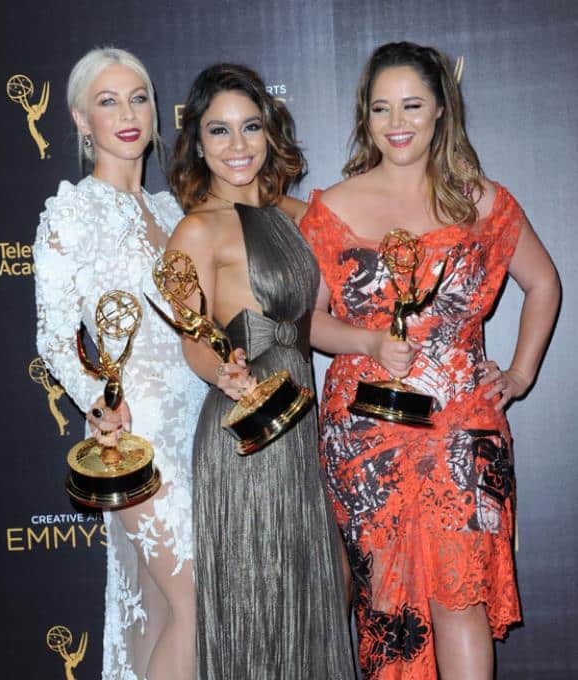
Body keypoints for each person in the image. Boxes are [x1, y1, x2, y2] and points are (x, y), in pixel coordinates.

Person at [300, 41, 560, 680]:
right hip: (367, 433)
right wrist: (367, 342)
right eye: (382, 108)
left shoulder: (482, 202)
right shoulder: (331, 208)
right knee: (389, 608)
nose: (397, 123)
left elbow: (544, 283)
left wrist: (520, 373)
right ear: (365, 115)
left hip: (462, 429)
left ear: (441, 108)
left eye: (412, 105)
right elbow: (306, 320)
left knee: (459, 597)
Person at [166, 63, 355, 679]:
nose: (237, 146)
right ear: (198, 144)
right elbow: (192, 336)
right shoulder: (197, 228)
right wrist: (221, 371)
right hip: (248, 423)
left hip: (304, 421)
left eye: (250, 127)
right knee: (259, 601)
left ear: (269, 132)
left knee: (324, 588)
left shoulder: (304, 216)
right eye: (218, 131)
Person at [33, 47, 206, 680]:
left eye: (138, 99)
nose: (127, 114)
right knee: (197, 605)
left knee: (160, 613)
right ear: (83, 120)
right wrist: (98, 402)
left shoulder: (172, 210)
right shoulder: (71, 211)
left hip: (197, 426)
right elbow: (54, 337)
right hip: (133, 434)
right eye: (108, 102)